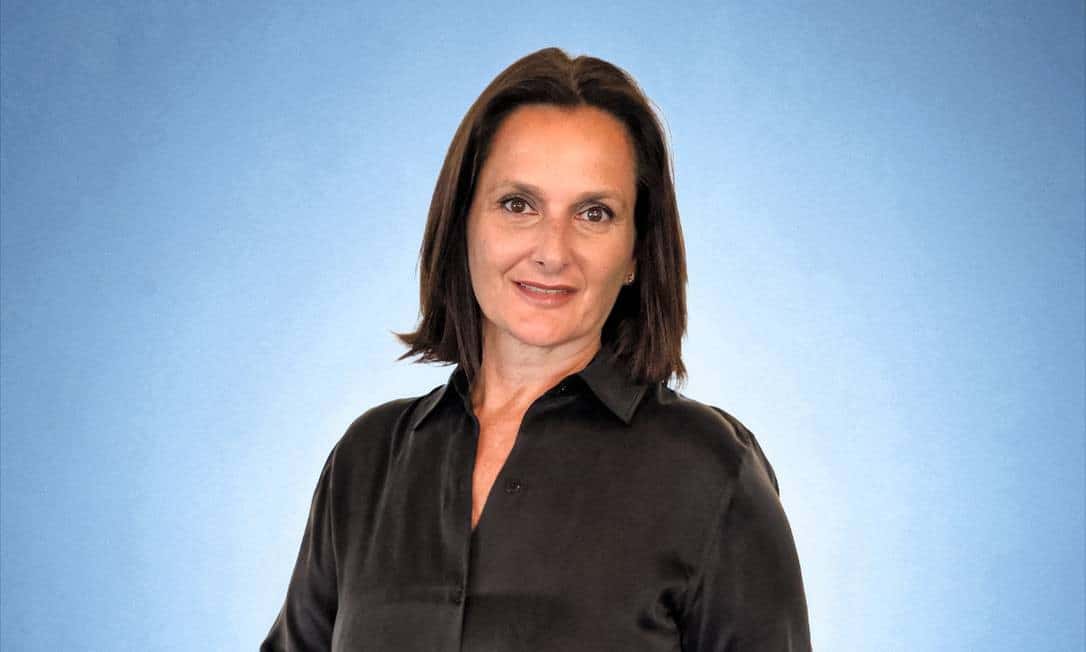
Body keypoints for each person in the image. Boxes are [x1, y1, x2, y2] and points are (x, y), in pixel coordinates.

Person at [261, 47, 811, 651]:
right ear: (463, 223)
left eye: (594, 213)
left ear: (635, 251)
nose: (552, 251)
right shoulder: (367, 462)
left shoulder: (709, 470)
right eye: (518, 205)